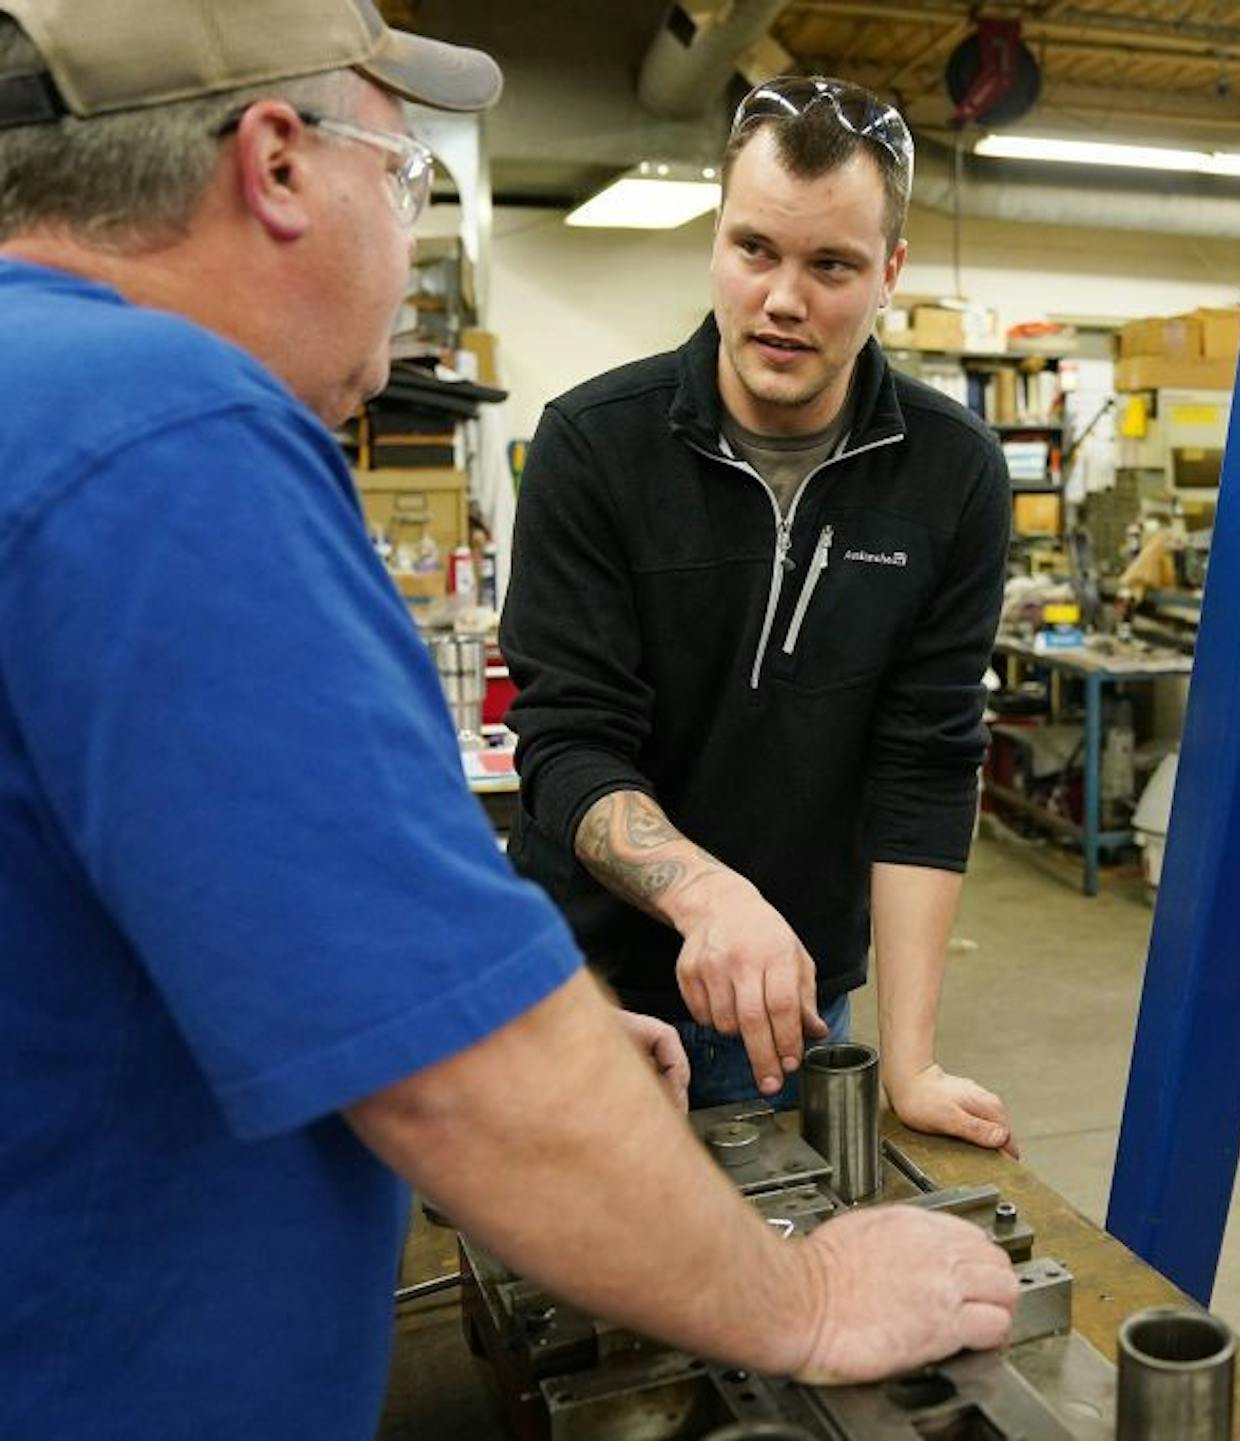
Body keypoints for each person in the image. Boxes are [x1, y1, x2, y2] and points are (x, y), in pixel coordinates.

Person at [0, 5, 1015, 1436]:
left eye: (833, 264)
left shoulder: (40, 394)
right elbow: (441, 1064)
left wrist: (557, 1028)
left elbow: (246, 934)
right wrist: (810, 1302)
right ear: (280, 168)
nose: (406, 232)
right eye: (406, 176)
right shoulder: (167, 443)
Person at [501, 75, 1016, 1148]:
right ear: (716, 245)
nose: (785, 298)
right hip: (588, 987)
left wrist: (909, 1061)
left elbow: (926, 765)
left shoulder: (953, 473)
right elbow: (567, 746)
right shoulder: (593, 447)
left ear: (890, 276)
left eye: (831, 265)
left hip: (794, 1009)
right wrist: (703, 894)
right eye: (755, 251)